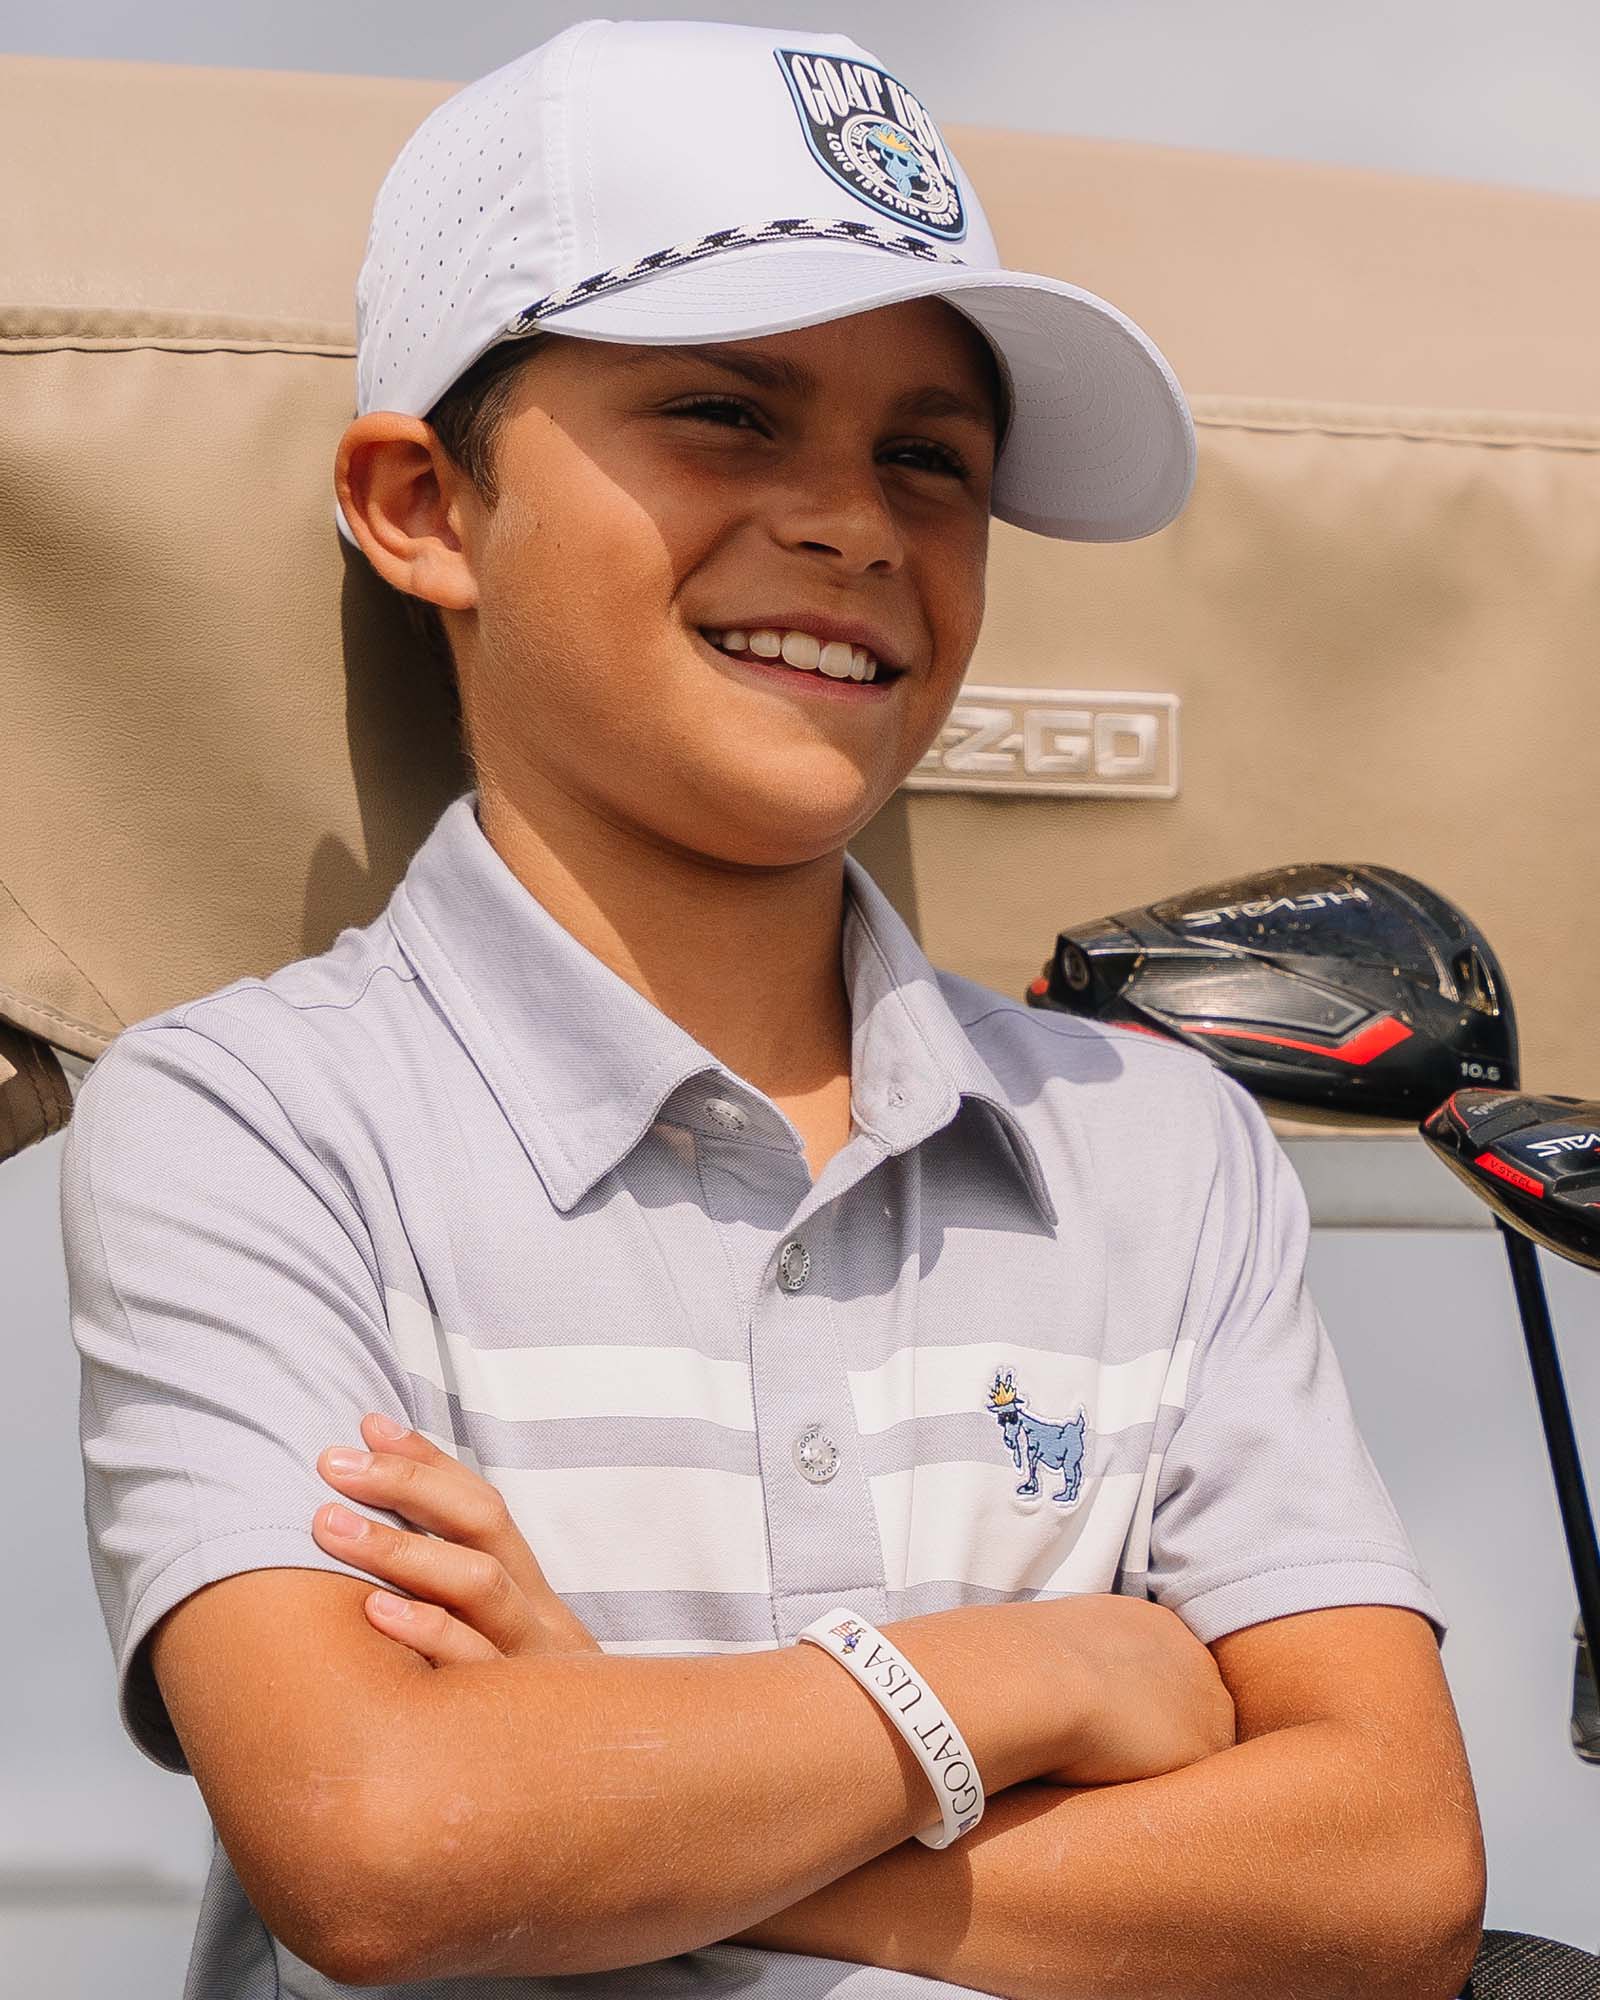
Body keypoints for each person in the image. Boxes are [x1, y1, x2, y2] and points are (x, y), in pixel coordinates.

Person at [60, 18, 1486, 1999]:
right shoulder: (249, 1115)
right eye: (726, 414)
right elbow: (387, 1844)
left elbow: (1388, 1869)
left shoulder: (1157, 1148)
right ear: (419, 506)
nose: (851, 519)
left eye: (930, 455)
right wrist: (1040, 1674)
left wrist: (627, 1790)